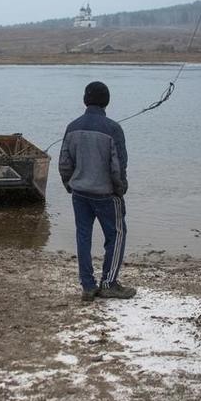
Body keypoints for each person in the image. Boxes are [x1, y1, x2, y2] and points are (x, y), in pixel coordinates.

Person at [59, 81, 136, 302]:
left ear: (85, 100)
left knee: (83, 237)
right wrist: (119, 190)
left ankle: (88, 286)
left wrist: (69, 184)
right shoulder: (113, 128)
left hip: (79, 193)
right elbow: (119, 166)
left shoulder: (72, 127)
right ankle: (109, 283)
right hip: (106, 195)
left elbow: (64, 163)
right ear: (107, 101)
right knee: (117, 235)